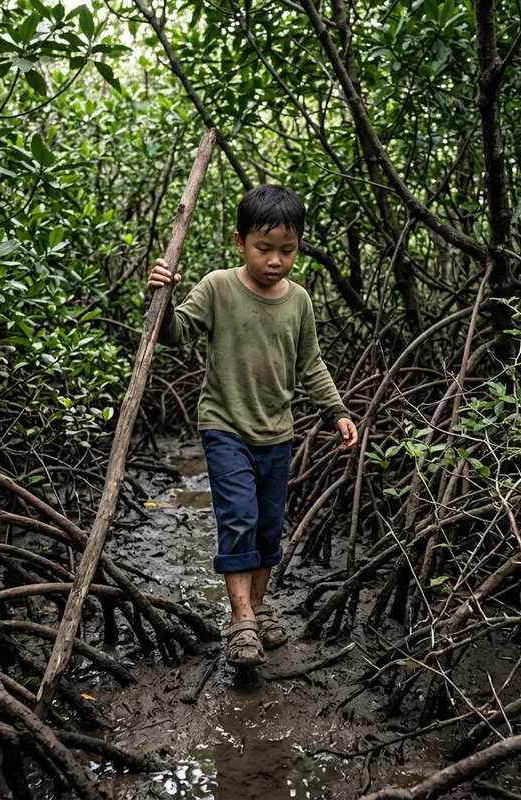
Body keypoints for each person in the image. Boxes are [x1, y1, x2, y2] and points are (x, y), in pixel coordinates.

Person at [147, 184, 358, 667]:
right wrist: (162, 295)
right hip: (224, 427)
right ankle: (241, 618)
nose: (276, 261)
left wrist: (339, 411)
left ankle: (257, 610)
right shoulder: (219, 286)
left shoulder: (299, 300)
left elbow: (312, 365)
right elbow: (176, 334)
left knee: (266, 528)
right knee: (238, 517)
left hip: (277, 434)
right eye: (264, 249)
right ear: (240, 242)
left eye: (287, 250)